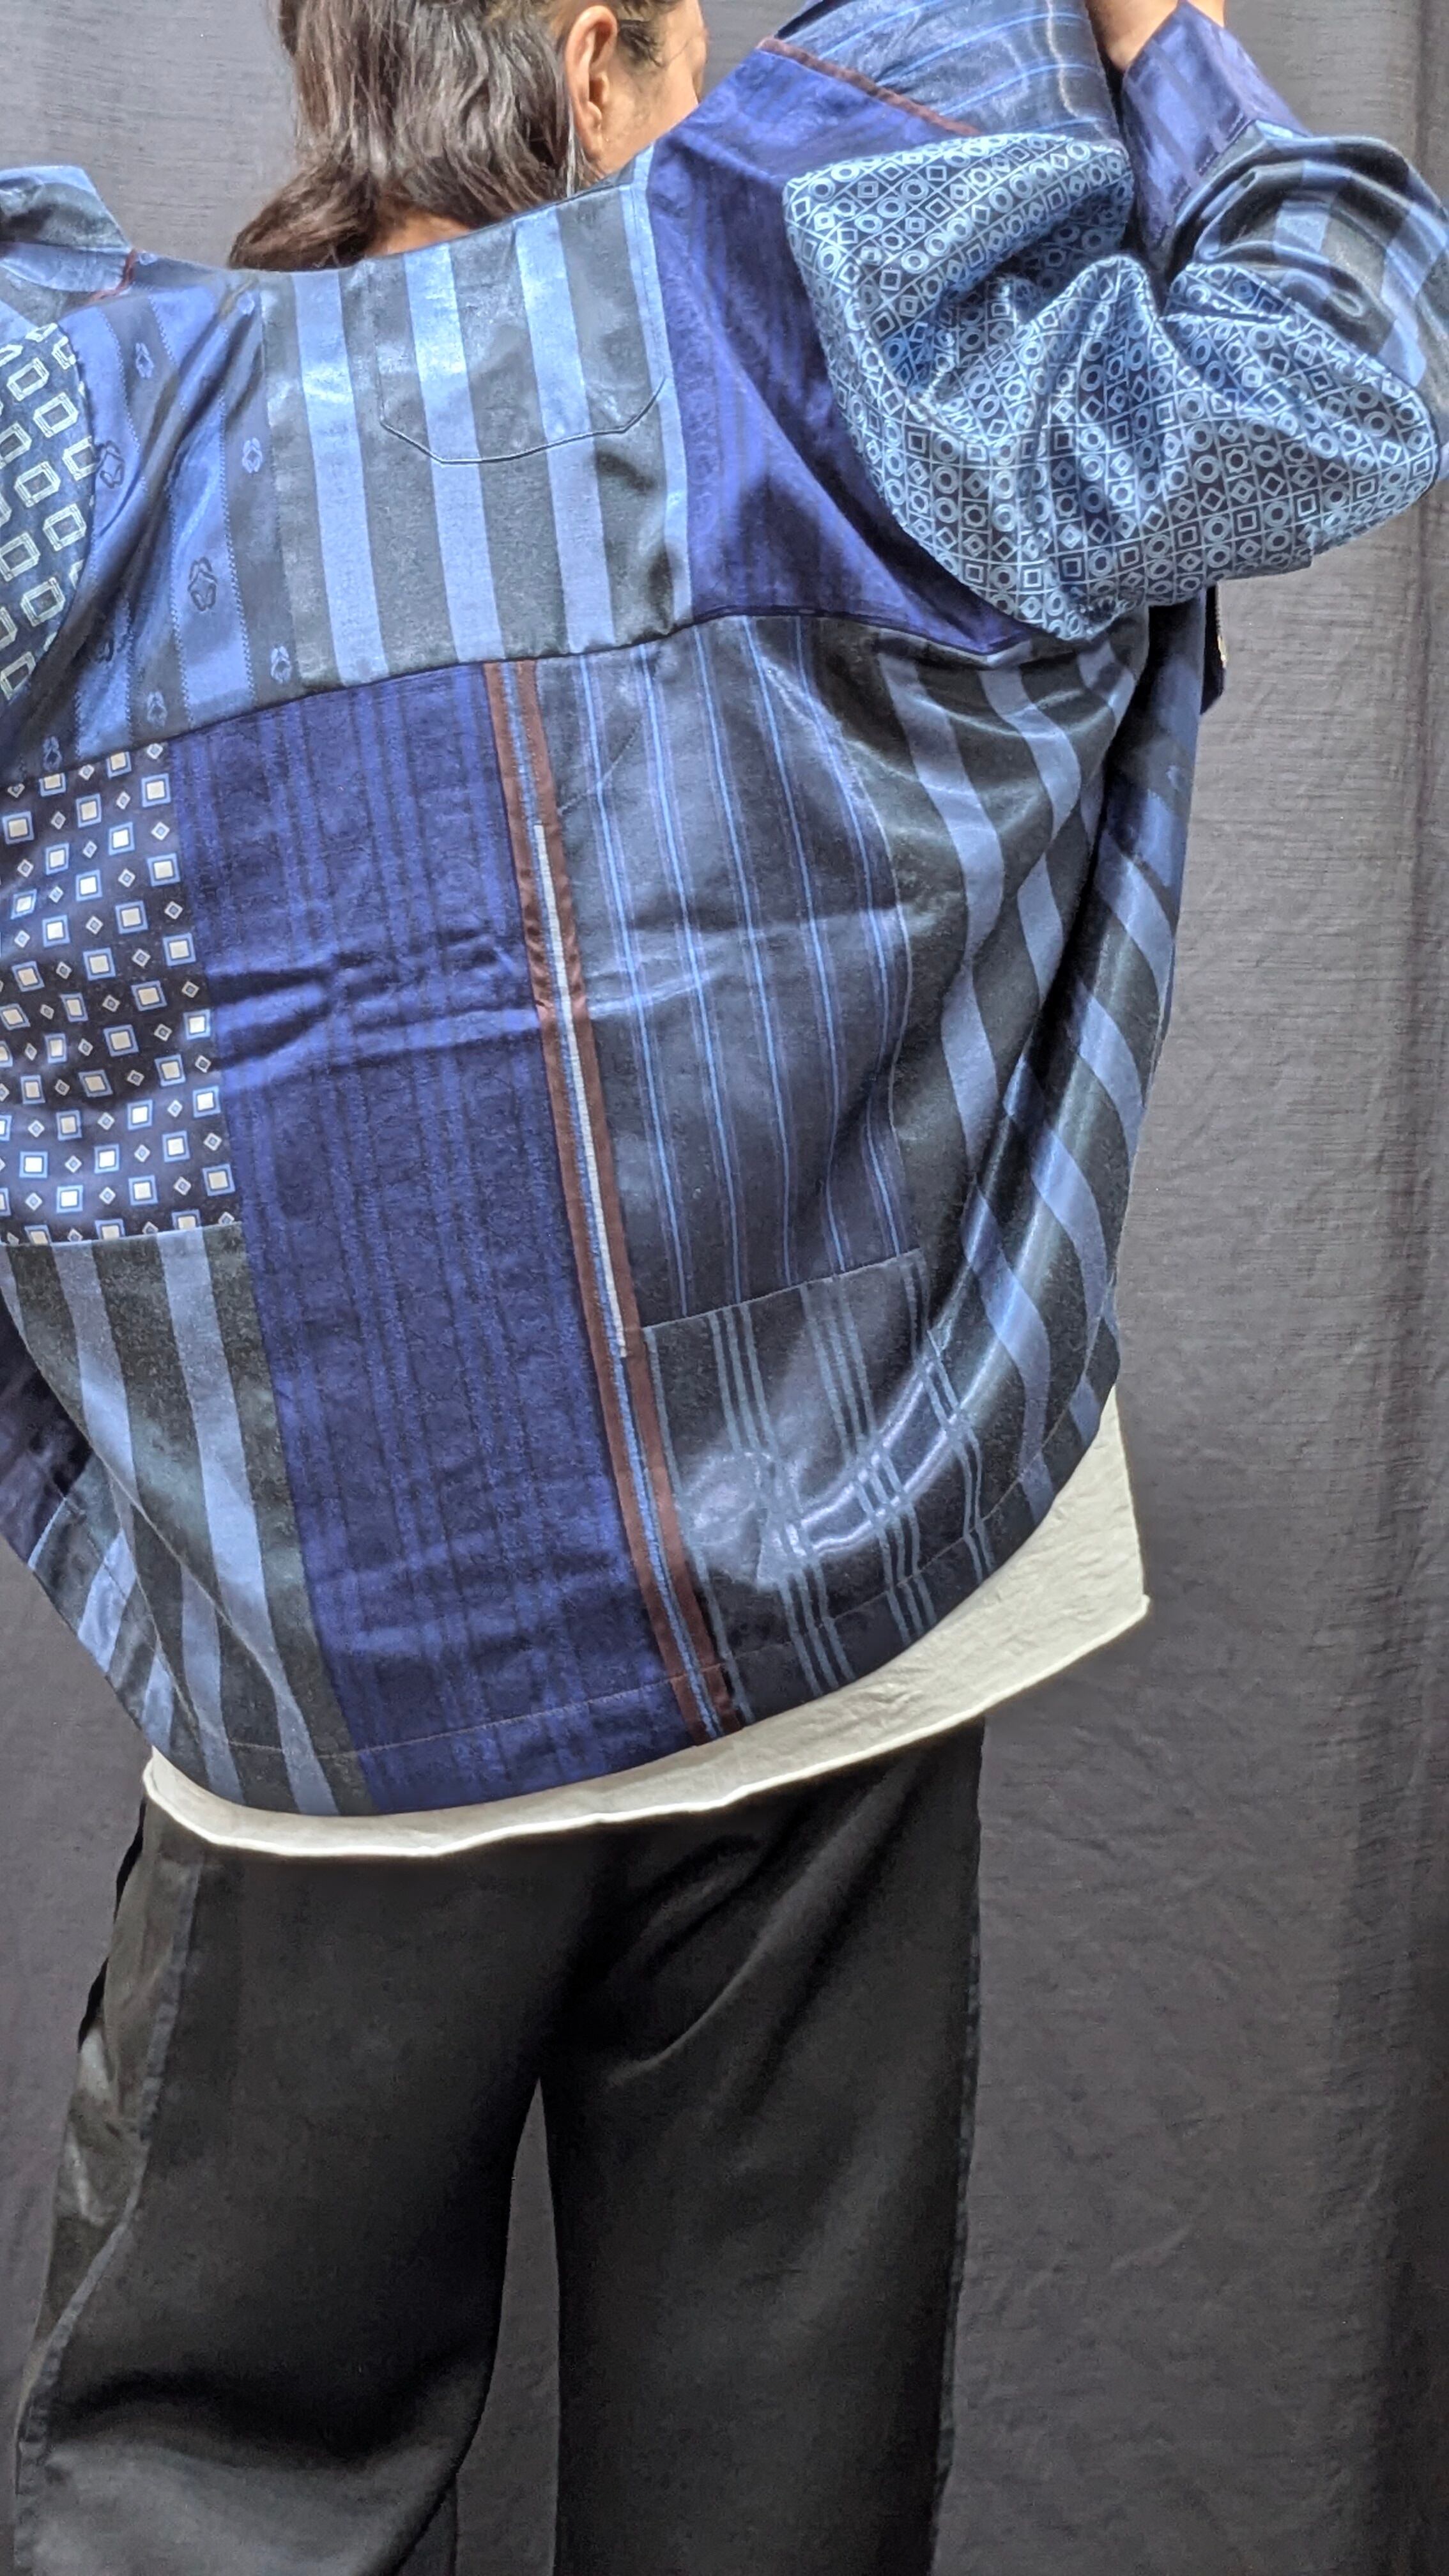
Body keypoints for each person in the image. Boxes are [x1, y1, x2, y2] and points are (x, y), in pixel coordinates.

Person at [1, 0, 1444, 2566]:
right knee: (765, 2505)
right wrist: (1162, 44)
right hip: (819, 1642)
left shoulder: (76, 439)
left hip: (329, 1693)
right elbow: (1328, 372)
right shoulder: (810, 328)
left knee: (210, 2494)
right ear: (596, 59)